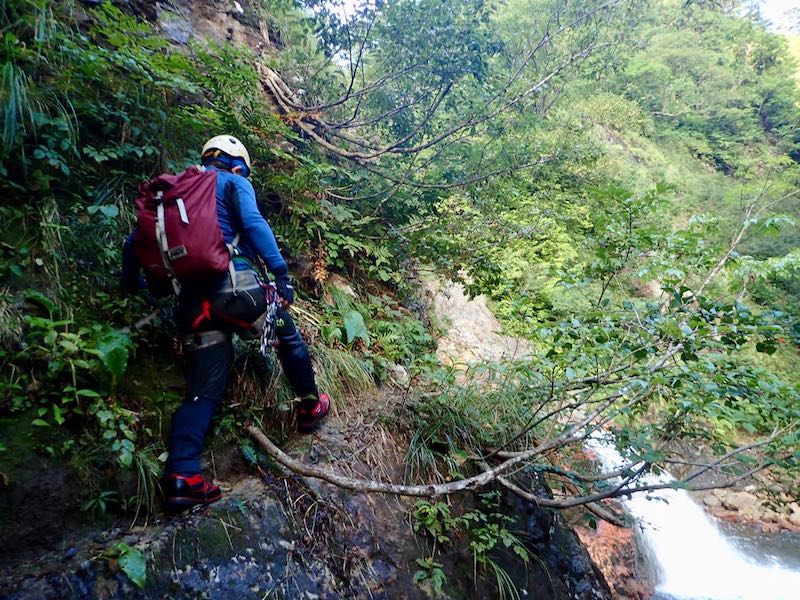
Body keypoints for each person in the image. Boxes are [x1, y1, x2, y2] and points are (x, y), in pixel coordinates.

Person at [121, 135, 330, 512]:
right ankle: (310, 406)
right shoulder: (234, 182)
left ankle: (183, 477)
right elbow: (252, 223)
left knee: (202, 390)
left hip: (190, 306)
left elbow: (132, 244)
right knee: (288, 337)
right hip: (238, 291)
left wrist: (132, 285)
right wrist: (282, 276)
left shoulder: (171, 193)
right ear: (237, 164)